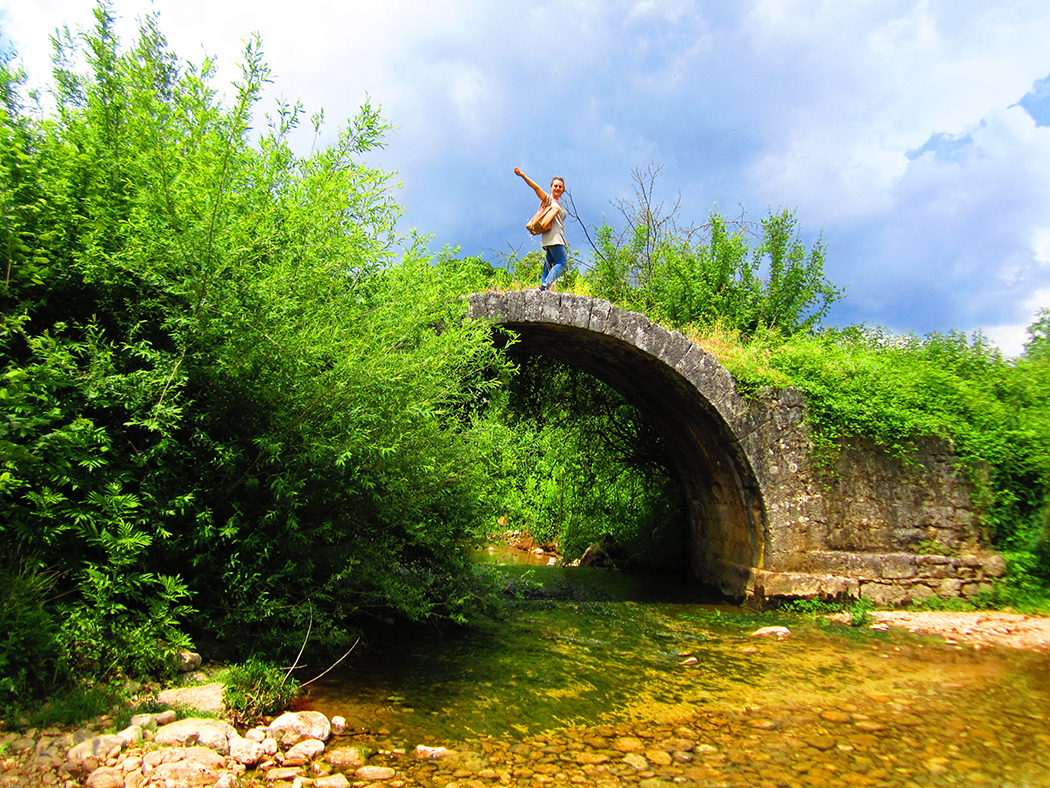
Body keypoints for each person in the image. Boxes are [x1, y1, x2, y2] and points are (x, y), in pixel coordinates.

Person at [514, 167, 568, 291]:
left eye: (560, 186)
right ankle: (546, 284)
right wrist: (522, 175)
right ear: (551, 186)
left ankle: (543, 287)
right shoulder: (548, 200)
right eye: (555, 186)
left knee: (549, 264)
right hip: (553, 237)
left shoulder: (561, 205)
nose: (557, 188)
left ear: (563, 189)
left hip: (556, 237)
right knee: (562, 262)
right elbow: (536, 188)